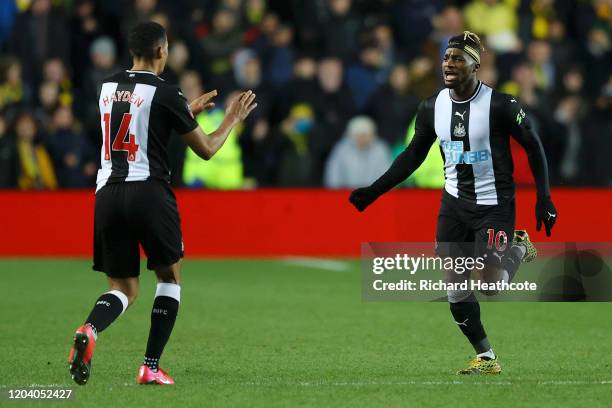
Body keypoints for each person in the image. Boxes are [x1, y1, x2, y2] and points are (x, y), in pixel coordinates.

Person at [349, 31, 557, 375]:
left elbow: (534, 146)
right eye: (447, 58)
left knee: (490, 285)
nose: (449, 63)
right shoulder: (432, 107)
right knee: (456, 287)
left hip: (495, 205)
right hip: (454, 205)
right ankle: (486, 357)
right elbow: (413, 155)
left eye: (458, 58)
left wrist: (544, 198)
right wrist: (375, 190)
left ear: (475, 65)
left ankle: (518, 245)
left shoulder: (502, 105)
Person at [67, 21, 257, 386]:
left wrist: (186, 114)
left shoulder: (106, 87)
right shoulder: (167, 92)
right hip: (149, 193)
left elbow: (138, 126)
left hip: (107, 193)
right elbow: (206, 150)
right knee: (169, 278)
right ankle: (150, 366)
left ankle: (90, 329)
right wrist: (232, 117)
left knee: (122, 288)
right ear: (161, 51)